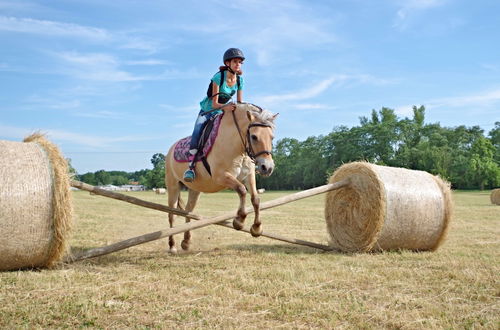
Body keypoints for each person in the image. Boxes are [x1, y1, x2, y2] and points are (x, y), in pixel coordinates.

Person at [183, 48, 245, 182]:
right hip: (208, 110)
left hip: (224, 111)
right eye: (235, 61)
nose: (238, 64)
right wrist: (226, 107)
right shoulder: (218, 77)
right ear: (228, 63)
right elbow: (215, 103)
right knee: (197, 132)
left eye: (240, 62)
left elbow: (240, 103)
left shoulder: (240, 80)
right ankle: (191, 167)